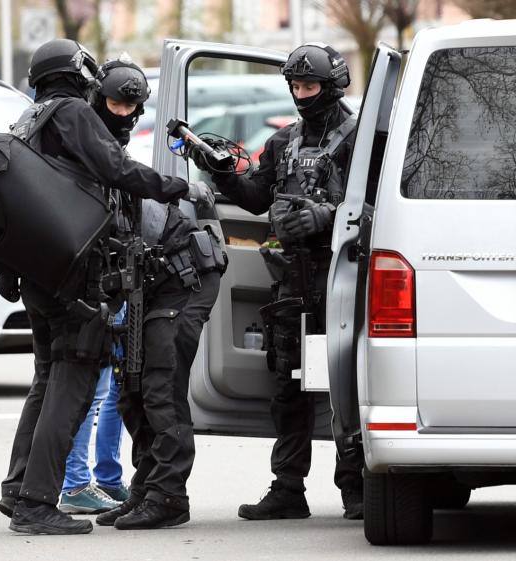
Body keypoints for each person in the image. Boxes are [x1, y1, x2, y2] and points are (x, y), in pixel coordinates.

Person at [0, 39, 204, 536]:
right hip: (73, 279)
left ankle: (18, 488)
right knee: (74, 380)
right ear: (78, 72)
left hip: (38, 275)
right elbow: (117, 169)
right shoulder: (70, 112)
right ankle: (36, 504)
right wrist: (178, 186)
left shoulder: (32, 120)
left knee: (46, 381)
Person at [190, 43, 364, 521]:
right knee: (288, 385)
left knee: (349, 381)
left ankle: (358, 487)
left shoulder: (364, 141)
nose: (301, 95)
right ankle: (288, 487)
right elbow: (253, 197)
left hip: (345, 279)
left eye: (309, 87)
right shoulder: (283, 142)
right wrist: (219, 169)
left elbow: (382, 209)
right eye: (295, 87)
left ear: (331, 87)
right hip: (291, 281)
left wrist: (326, 219)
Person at [87, 55, 223, 530]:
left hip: (182, 278)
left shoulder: (113, 158)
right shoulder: (89, 150)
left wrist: (184, 186)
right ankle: (147, 486)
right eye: (115, 103)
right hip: (145, 285)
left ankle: (169, 497)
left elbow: (141, 189)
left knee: (161, 387)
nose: (123, 114)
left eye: (131, 106)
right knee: (132, 388)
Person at [59, 305, 128, 514]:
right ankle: (76, 485)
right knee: (93, 395)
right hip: (106, 297)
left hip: (111, 298)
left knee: (111, 389)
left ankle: (106, 481)